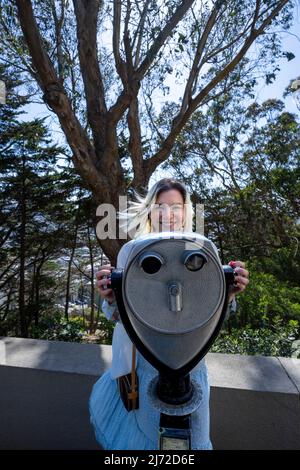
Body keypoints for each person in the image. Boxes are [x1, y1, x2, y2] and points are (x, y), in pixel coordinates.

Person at [89, 178, 249, 450]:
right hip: (142, 361)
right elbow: (118, 315)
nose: (168, 214)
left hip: (188, 362)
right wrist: (110, 295)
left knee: (191, 439)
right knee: (145, 436)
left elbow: (208, 317)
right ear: (150, 210)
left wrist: (229, 293)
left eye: (176, 206)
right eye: (160, 206)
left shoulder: (201, 247)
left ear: (187, 210)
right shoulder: (133, 250)